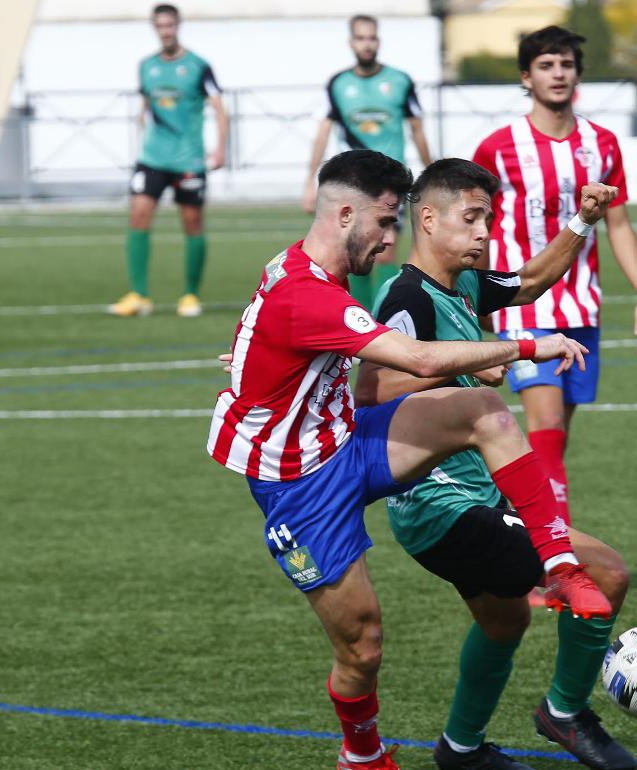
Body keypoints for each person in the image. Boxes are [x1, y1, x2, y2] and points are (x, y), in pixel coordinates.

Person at [207, 149, 611, 770]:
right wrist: (527, 346)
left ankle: (559, 565)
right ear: (345, 214)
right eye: (384, 222)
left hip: (347, 440)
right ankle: (362, 755)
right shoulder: (315, 293)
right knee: (362, 645)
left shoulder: (311, 270)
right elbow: (413, 361)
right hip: (299, 486)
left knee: (484, 411)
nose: (390, 240)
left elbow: (279, 326)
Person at [356, 158, 637, 770]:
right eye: (471, 218)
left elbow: (530, 281)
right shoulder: (407, 297)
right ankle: (565, 712)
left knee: (505, 621)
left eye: (488, 218)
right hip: (441, 504)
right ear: (429, 220)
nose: (484, 231)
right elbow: (372, 389)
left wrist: (583, 221)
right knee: (606, 575)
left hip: (475, 497)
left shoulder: (464, 285)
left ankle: (460, 750)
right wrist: (473, 359)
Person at [472, 26, 637, 535]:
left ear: (578, 74)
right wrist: (476, 293)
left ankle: (518, 527)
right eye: (546, 65)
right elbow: (478, 226)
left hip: (580, 307)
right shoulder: (498, 148)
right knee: (547, 428)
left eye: (566, 65)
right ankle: (558, 557)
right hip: (522, 305)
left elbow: (619, 224)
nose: (557, 74)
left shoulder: (602, 144)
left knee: (552, 441)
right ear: (525, 77)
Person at [301, 14, 434, 312]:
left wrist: (432, 174)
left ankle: (385, 321)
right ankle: (359, 321)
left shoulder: (400, 81)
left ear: (379, 41)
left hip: (391, 182)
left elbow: (417, 130)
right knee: (354, 253)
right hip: (353, 183)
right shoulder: (338, 84)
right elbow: (322, 132)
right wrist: (310, 182)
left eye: (372, 38)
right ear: (351, 43)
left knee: (385, 251)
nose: (367, 44)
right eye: (361, 38)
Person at [110, 3, 229, 319]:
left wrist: (220, 149)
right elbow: (146, 103)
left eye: (170, 25)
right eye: (160, 26)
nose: (165, 31)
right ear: (154, 28)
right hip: (152, 158)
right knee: (138, 215)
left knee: (192, 223)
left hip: (188, 160)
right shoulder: (146, 66)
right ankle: (139, 295)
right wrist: (141, 128)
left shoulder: (198, 66)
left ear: (178, 26)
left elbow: (219, 108)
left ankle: (190, 294)